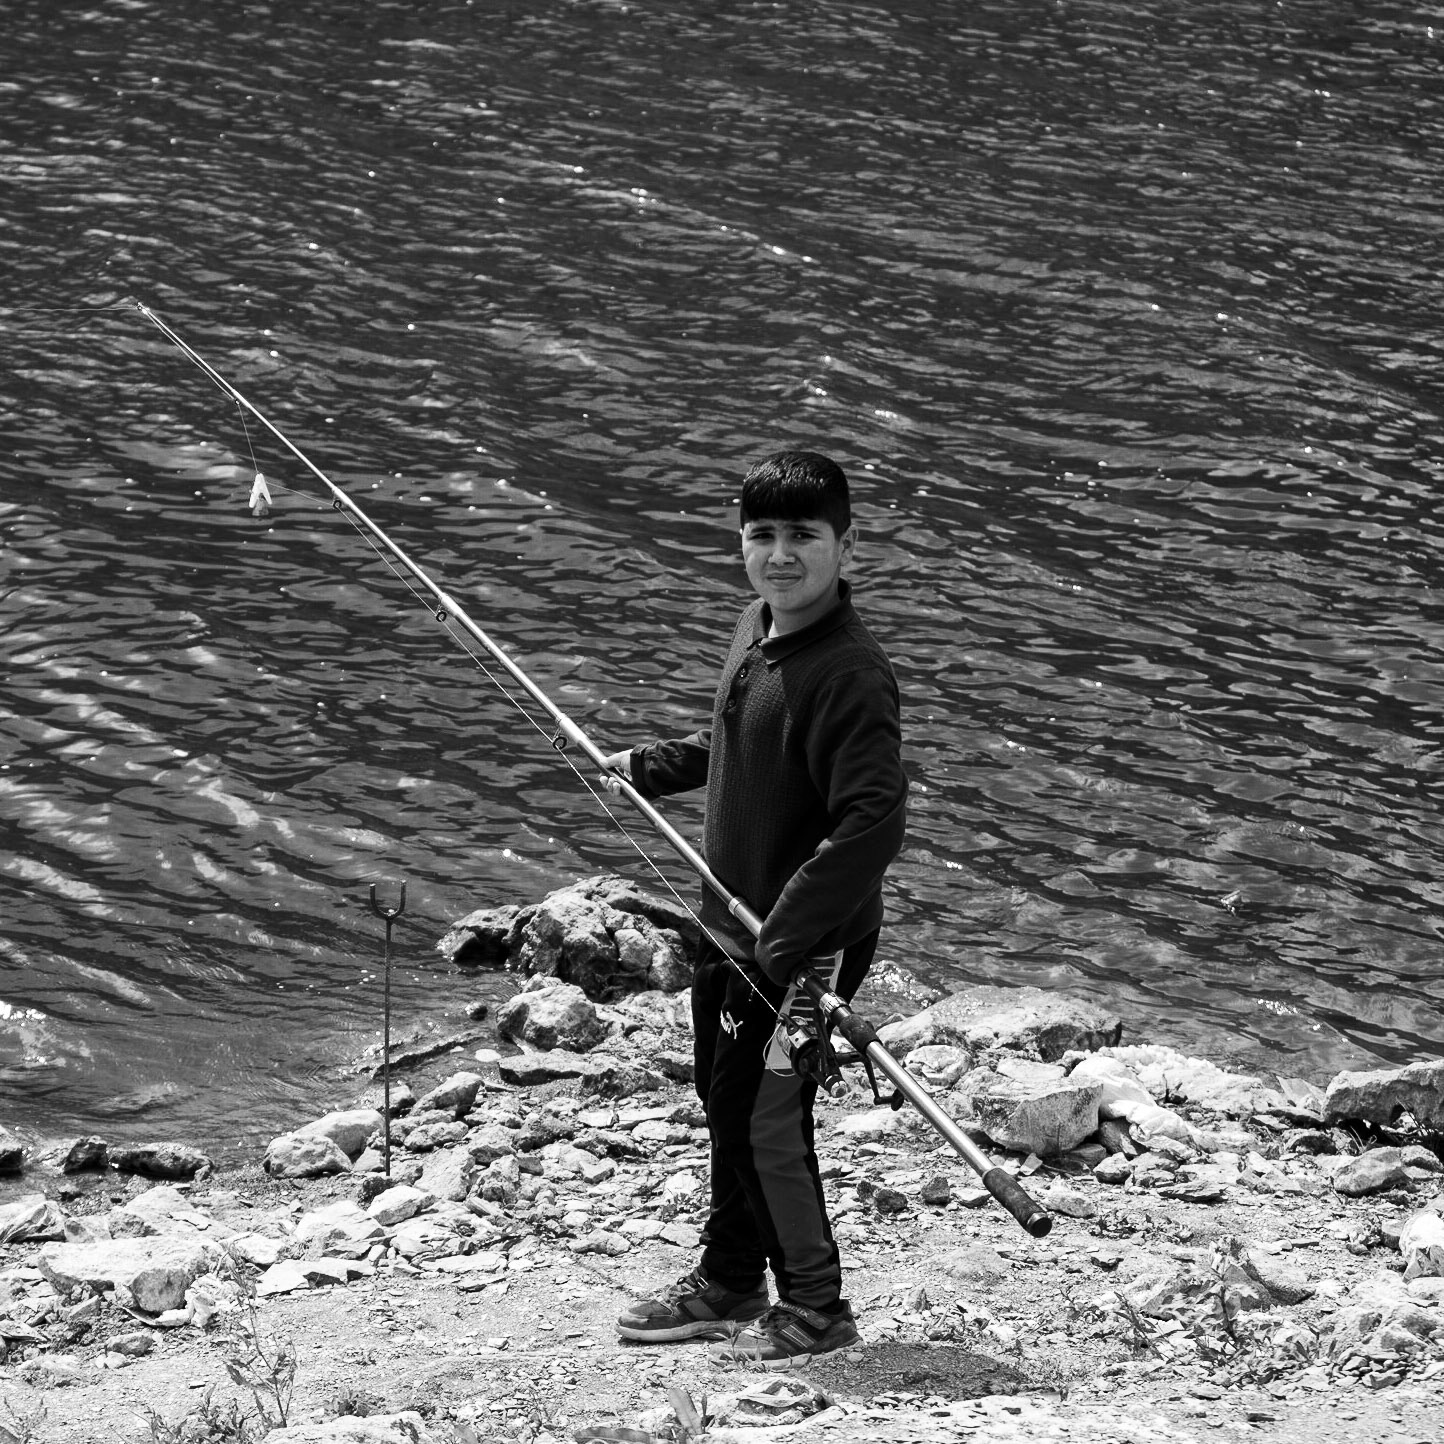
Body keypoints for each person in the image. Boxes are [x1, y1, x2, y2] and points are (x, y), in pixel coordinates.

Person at [602, 449, 908, 1367]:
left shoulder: (852, 673)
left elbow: (871, 823)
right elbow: (740, 742)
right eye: (762, 535)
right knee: (723, 1098)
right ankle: (732, 1277)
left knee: (768, 1117)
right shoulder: (756, 627)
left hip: (800, 947)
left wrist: (786, 939)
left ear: (845, 546)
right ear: (742, 542)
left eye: (803, 537)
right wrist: (654, 766)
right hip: (729, 929)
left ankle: (817, 1304)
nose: (781, 555)